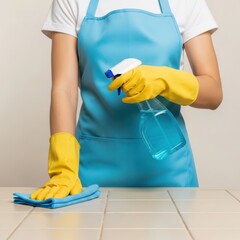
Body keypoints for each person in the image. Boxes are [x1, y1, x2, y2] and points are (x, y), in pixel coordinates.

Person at [30, 0, 223, 200]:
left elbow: (213, 93)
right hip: (92, 168)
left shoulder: (186, 3)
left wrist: (166, 81)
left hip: (168, 166)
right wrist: (63, 166)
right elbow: (64, 89)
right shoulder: (71, 2)